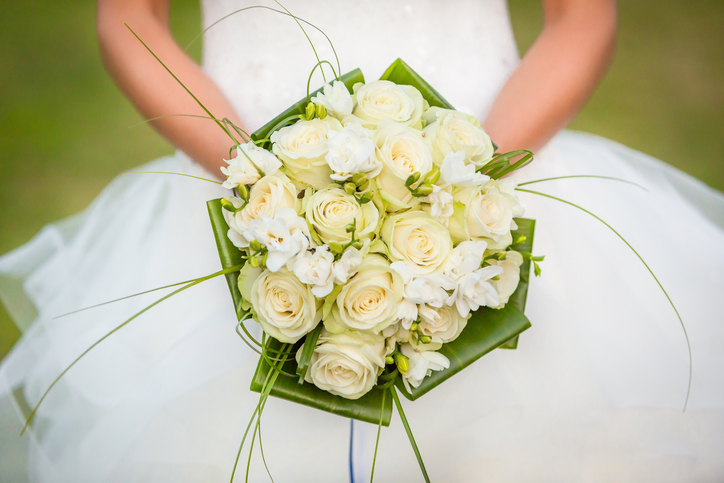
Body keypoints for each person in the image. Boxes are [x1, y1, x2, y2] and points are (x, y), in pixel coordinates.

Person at [1, 0, 723, 481]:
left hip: (496, 178)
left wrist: (464, 192)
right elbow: (129, 21)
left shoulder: (477, 188)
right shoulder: (253, 190)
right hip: (245, 193)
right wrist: (260, 183)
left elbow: (582, 21)